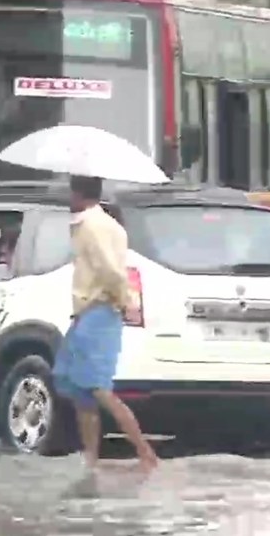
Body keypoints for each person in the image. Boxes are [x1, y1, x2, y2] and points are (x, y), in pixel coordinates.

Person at [52, 175, 158, 487]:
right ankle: (91, 460)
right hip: (89, 313)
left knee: (98, 388)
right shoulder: (103, 225)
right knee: (81, 389)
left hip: (99, 312)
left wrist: (127, 301)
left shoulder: (92, 226)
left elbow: (111, 271)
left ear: (77, 192)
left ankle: (145, 452)